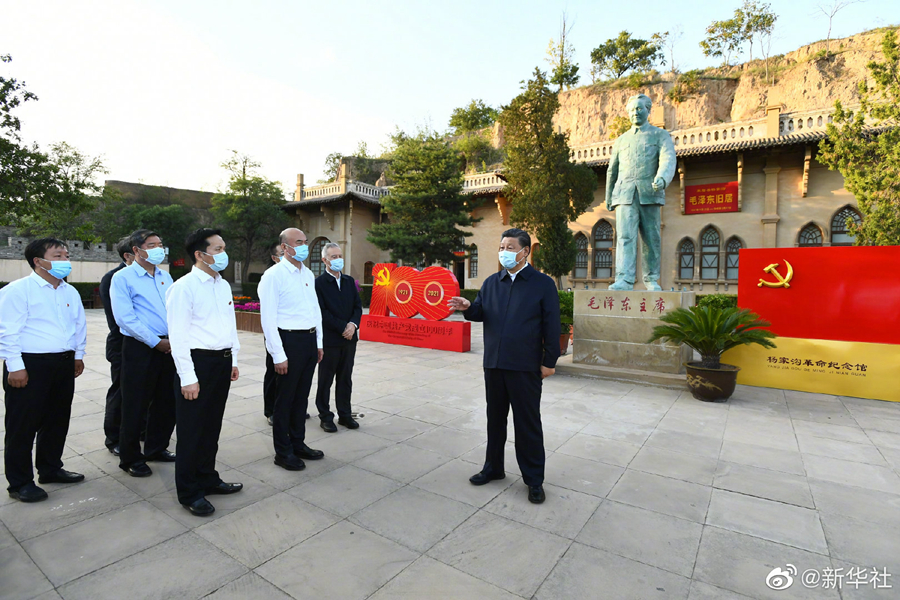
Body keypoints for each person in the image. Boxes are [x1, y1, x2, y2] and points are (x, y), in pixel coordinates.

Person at [448, 228, 560, 504]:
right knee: (495, 420)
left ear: (525, 251)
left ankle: (534, 479)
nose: (504, 252)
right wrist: (467, 307)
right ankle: (493, 468)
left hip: (525, 367)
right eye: (501, 247)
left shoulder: (542, 284)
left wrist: (549, 361)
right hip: (495, 364)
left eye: (510, 247)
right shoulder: (491, 283)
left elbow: (552, 324)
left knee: (527, 424)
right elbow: (481, 312)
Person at [0, 238, 86, 502]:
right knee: (22, 425)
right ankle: (20, 483)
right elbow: (7, 331)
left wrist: (78, 356)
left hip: (63, 363)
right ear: (38, 261)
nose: (65, 260)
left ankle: (50, 468)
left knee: (57, 419)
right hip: (30, 365)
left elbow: (78, 325)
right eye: (58, 255)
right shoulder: (18, 290)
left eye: (66, 255)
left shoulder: (69, 291)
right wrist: (15, 366)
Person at [166, 228, 243, 516]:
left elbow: (229, 324)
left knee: (211, 426)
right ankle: (189, 492)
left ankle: (208, 478)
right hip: (197, 363)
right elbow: (178, 336)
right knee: (192, 431)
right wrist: (188, 377)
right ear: (199, 254)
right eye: (217, 249)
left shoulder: (222, 285)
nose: (224, 254)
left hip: (221, 362)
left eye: (224, 248)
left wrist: (233, 359)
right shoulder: (184, 287)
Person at [111, 229, 177, 478]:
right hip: (140, 347)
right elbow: (125, 318)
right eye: (151, 245)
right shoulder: (123, 277)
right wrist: (154, 342)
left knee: (166, 401)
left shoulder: (165, 276)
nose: (158, 249)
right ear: (136, 250)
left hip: (168, 345)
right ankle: (130, 457)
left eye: (160, 244)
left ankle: (156, 448)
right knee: (135, 404)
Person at [259, 228, 325, 471]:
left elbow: (314, 310)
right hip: (288, 341)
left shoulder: (307, 273)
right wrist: (278, 354)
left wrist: (318, 343)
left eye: (305, 242)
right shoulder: (273, 275)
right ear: (285, 247)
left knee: (301, 398)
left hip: (308, 341)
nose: (304, 246)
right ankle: (283, 451)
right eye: (298, 242)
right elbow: (268, 319)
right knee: (284, 400)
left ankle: (298, 443)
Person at [605, 93, 676, 292]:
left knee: (651, 238)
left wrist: (662, 178)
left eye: (639, 108)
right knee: (625, 238)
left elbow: (668, 159)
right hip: (625, 195)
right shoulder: (621, 140)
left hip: (649, 192)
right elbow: (612, 169)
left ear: (648, 110)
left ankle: (651, 279)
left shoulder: (659, 135)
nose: (635, 113)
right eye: (632, 110)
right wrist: (609, 195)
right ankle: (624, 279)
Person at [314, 242, 362, 432]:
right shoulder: (319, 283)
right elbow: (322, 312)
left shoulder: (349, 281)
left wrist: (353, 325)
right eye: (333, 257)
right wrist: (343, 326)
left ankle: (345, 414)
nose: (338, 260)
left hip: (349, 340)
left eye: (340, 256)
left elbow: (357, 306)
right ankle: (325, 416)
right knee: (325, 380)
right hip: (330, 340)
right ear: (324, 260)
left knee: (345, 379)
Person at [98, 236, 135, 456]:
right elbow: (119, 319)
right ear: (128, 255)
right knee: (121, 391)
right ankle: (114, 438)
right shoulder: (113, 278)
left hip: (151, 344)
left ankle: (141, 432)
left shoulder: (156, 277)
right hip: (122, 343)